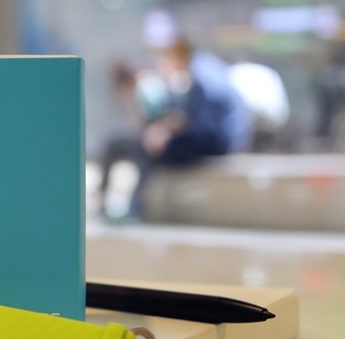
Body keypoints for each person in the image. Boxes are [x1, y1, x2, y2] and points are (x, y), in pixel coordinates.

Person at [102, 39, 252, 220]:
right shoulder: (206, 67)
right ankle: (135, 205)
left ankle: (136, 207)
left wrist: (165, 132)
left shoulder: (201, 75)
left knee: (145, 148)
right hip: (224, 137)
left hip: (218, 141)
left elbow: (199, 124)